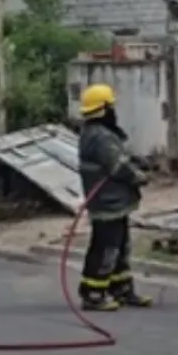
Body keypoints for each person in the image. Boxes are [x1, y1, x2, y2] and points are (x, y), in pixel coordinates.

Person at [76, 83, 154, 311]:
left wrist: (137, 160)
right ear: (104, 109)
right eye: (111, 107)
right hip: (108, 202)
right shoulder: (101, 137)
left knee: (120, 246)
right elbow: (118, 166)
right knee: (106, 249)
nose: (114, 111)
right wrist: (140, 177)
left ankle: (121, 288)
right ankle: (93, 293)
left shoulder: (96, 133)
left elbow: (119, 156)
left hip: (113, 202)